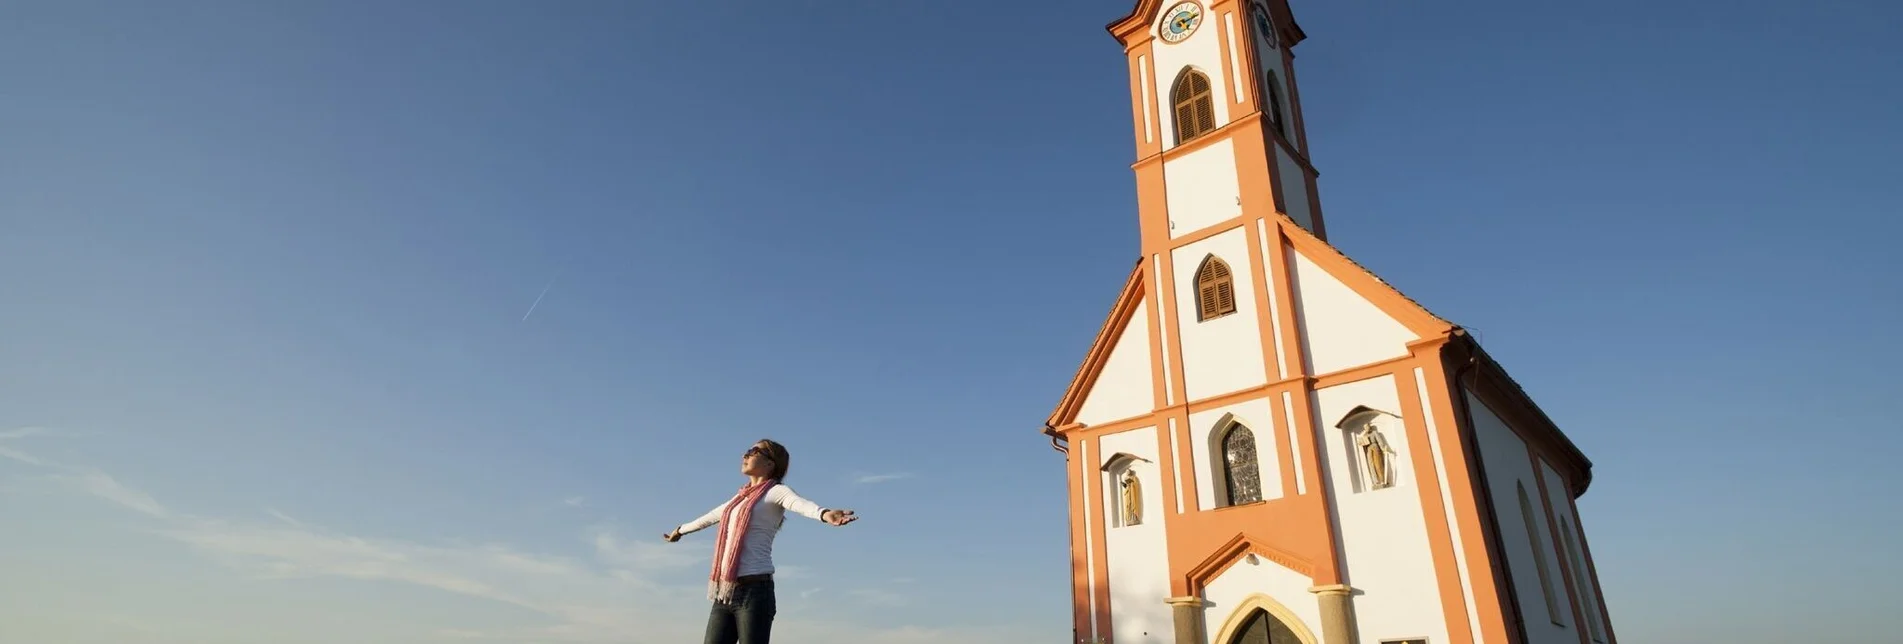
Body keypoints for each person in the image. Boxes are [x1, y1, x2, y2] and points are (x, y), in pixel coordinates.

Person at [663, 439, 857, 644]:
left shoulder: (777, 492)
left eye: (754, 451)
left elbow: (800, 504)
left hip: (755, 591)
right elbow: (709, 517)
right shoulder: (738, 500)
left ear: (770, 463)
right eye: (747, 450)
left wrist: (824, 514)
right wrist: (680, 530)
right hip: (725, 591)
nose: (745, 455)